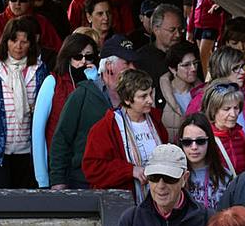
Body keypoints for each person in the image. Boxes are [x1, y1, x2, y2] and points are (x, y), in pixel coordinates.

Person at [47, 37, 137, 190]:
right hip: (83, 182)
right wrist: (57, 181)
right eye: (127, 63)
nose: (133, 68)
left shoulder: (136, 98)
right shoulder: (82, 95)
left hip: (125, 182)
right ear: (109, 66)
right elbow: (61, 139)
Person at [0, 17, 49, 189]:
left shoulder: (39, 70)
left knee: (27, 202)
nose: (18, 47)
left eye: (24, 42)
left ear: (32, 43)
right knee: (0, 202)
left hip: (30, 150)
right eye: (14, 41)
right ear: (5, 41)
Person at [81, 68, 168, 201]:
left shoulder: (156, 121)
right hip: (124, 204)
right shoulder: (105, 128)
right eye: (143, 96)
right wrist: (130, 170)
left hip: (159, 199)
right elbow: (92, 168)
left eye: (150, 93)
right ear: (127, 100)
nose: (150, 100)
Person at [32, 33, 98, 189]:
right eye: (77, 56)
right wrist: (42, 178)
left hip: (90, 165)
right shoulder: (52, 82)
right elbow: (37, 132)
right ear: (68, 57)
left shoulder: (98, 82)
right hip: (60, 167)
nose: (83, 61)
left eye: (88, 57)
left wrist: (94, 82)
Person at [180, 112, 235, 213]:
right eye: (187, 142)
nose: (194, 147)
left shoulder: (225, 177)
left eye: (200, 141)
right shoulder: (173, 176)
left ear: (209, 142)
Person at [157, 40, 203, 143]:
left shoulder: (203, 94)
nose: (193, 68)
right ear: (173, 69)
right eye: (186, 65)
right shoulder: (158, 95)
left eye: (195, 63)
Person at [203, 81, 245, 176]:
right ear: (213, 110)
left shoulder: (240, 134)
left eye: (236, 108)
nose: (233, 114)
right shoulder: (206, 138)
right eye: (226, 109)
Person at [132, 4, 185, 83]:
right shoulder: (141, 59)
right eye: (172, 30)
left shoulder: (188, 51)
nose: (178, 34)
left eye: (180, 29)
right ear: (156, 29)